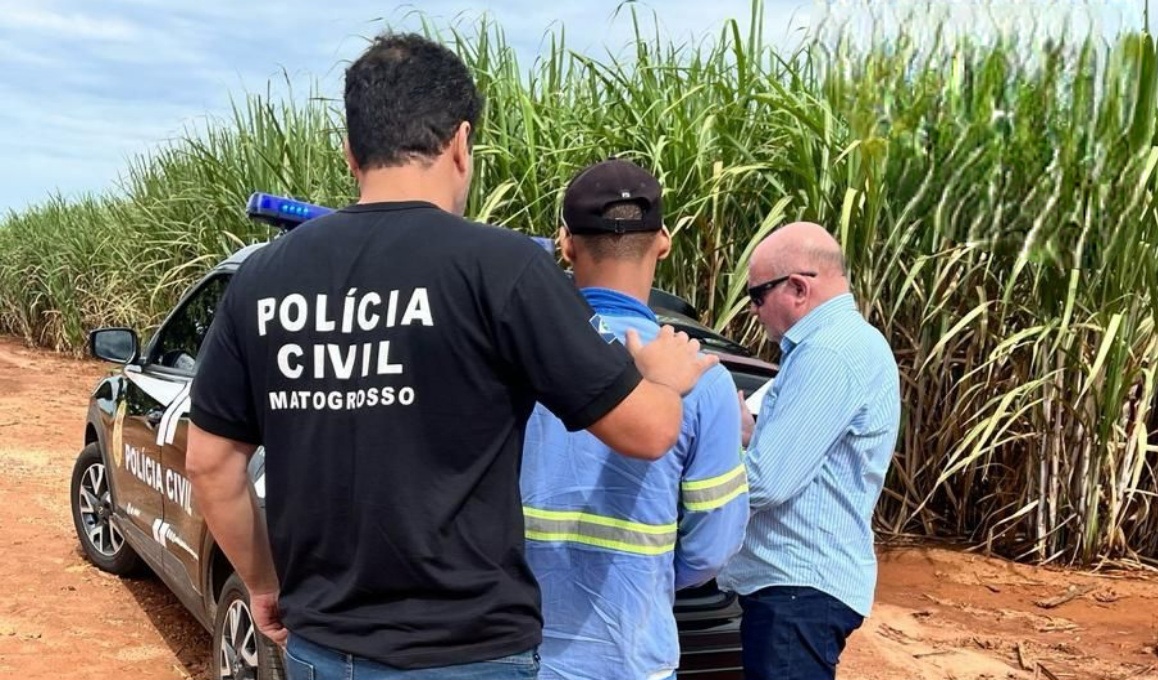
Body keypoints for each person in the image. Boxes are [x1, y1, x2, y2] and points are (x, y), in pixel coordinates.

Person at [183, 33, 719, 680]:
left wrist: (265, 584)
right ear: (462, 143)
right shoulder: (502, 269)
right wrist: (661, 377)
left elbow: (212, 465)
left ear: (352, 151)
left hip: (324, 651)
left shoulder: (263, 280)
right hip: (472, 655)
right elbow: (649, 430)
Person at [520, 159, 749, 680]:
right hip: (632, 657)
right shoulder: (702, 379)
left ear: (566, 243)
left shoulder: (517, 357)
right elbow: (714, 543)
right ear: (663, 241)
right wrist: (650, 576)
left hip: (519, 659)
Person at [716, 222, 901, 680]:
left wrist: (693, 474)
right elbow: (804, 464)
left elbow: (765, 483)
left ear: (798, 287)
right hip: (799, 590)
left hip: (796, 587)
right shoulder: (838, 347)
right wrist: (749, 438)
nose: (754, 310)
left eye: (757, 295)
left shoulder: (828, 353)